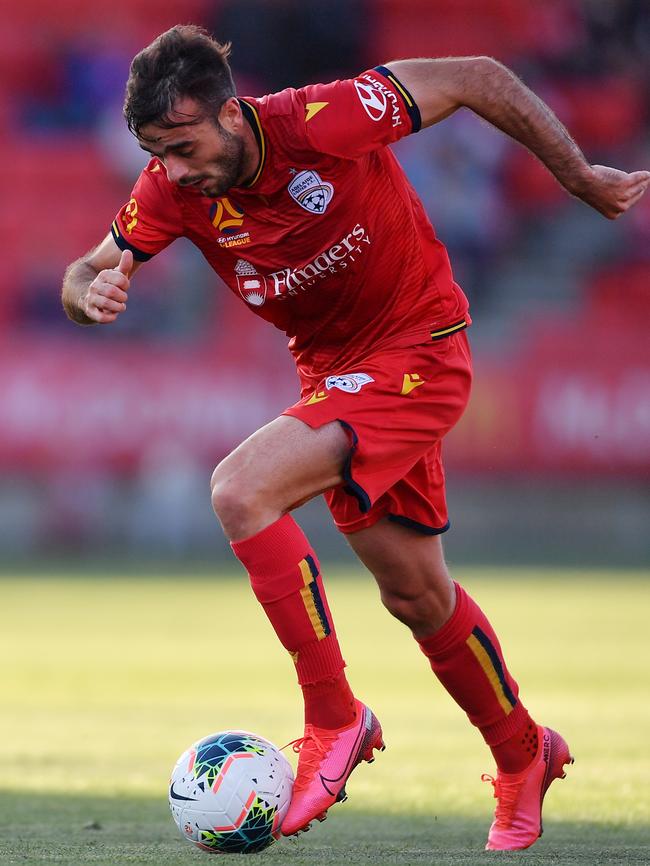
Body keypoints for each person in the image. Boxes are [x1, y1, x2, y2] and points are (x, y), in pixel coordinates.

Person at [61, 25, 649, 851]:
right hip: (335, 379)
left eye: (184, 146)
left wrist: (580, 177)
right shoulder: (168, 191)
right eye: (157, 153)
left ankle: (334, 719)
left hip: (420, 350)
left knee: (240, 489)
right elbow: (85, 269)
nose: (175, 169)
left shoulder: (326, 119)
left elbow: (476, 71)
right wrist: (89, 294)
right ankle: (524, 752)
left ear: (232, 113)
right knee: (416, 595)